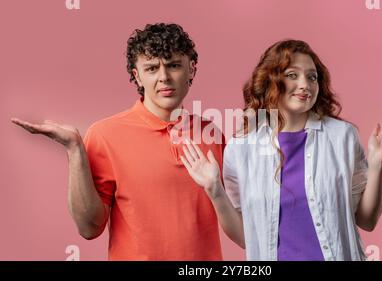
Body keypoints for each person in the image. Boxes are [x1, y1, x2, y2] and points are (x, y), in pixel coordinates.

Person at [180, 39, 382, 261]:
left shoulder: (342, 137)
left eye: (312, 77)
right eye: (292, 75)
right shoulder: (241, 150)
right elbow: (245, 238)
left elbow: (367, 220)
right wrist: (214, 189)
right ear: (270, 81)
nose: (305, 85)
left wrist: (377, 162)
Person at [11, 23, 226, 261]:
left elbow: (242, 213)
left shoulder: (211, 133)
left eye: (174, 66)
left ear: (191, 70)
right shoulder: (106, 135)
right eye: (152, 68)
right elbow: (89, 228)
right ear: (138, 76)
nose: (164, 77)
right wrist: (74, 150)